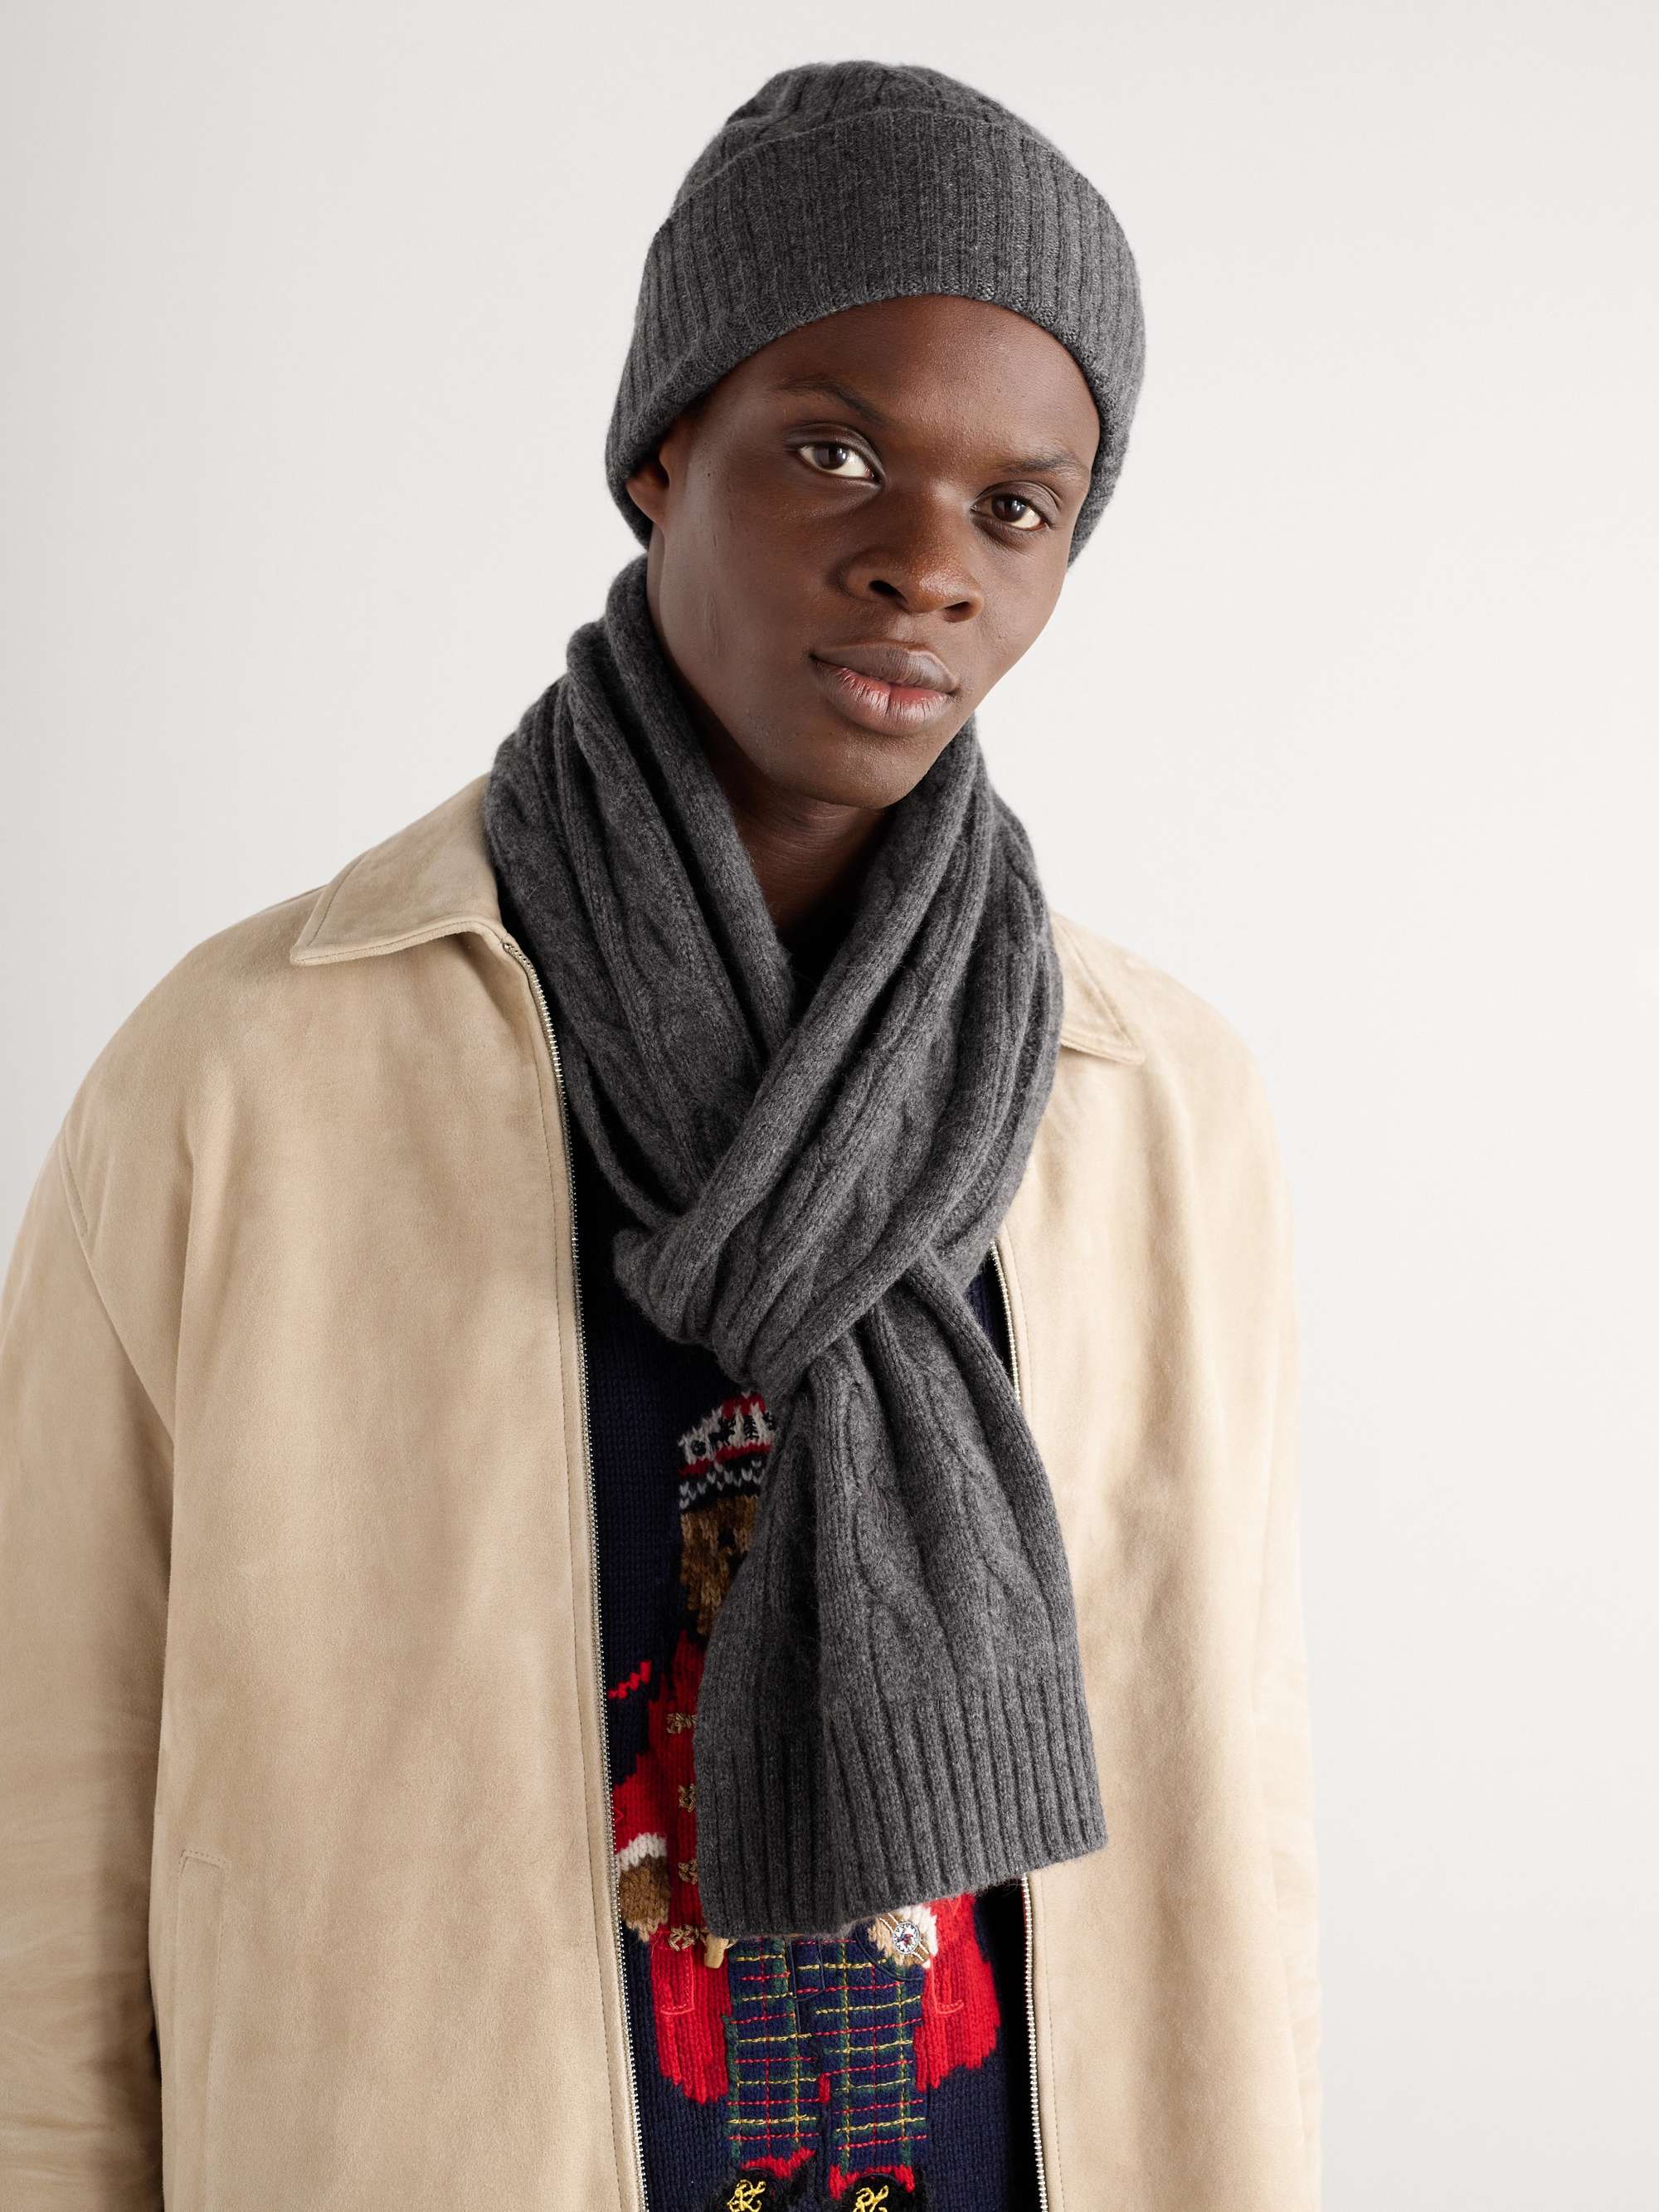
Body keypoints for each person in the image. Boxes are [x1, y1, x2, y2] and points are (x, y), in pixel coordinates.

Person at [0, 57, 1321, 2212]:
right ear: (662, 448)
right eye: (837, 447)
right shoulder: (249, 1080)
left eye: (1018, 507)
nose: (925, 565)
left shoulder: (1154, 1107)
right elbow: (39, 1863)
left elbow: (1227, 1821)